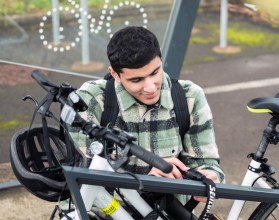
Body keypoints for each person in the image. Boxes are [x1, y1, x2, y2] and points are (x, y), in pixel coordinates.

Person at [69, 26, 224, 203]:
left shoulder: (190, 97)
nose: (150, 88)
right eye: (136, 80)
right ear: (114, 73)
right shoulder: (90, 101)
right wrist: (145, 182)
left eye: (155, 72)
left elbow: (206, 162)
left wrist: (210, 177)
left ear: (160, 59)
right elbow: (81, 178)